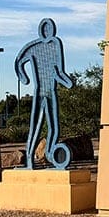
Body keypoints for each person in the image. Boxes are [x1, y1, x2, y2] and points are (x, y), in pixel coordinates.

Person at [14, 18, 74, 168]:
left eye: (49, 29)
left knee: (53, 127)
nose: (47, 32)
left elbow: (58, 71)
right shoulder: (34, 47)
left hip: (51, 92)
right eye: (45, 29)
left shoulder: (55, 45)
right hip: (40, 93)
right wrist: (23, 77)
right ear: (41, 31)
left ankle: (49, 152)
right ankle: (29, 160)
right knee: (36, 127)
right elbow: (19, 61)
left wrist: (67, 81)